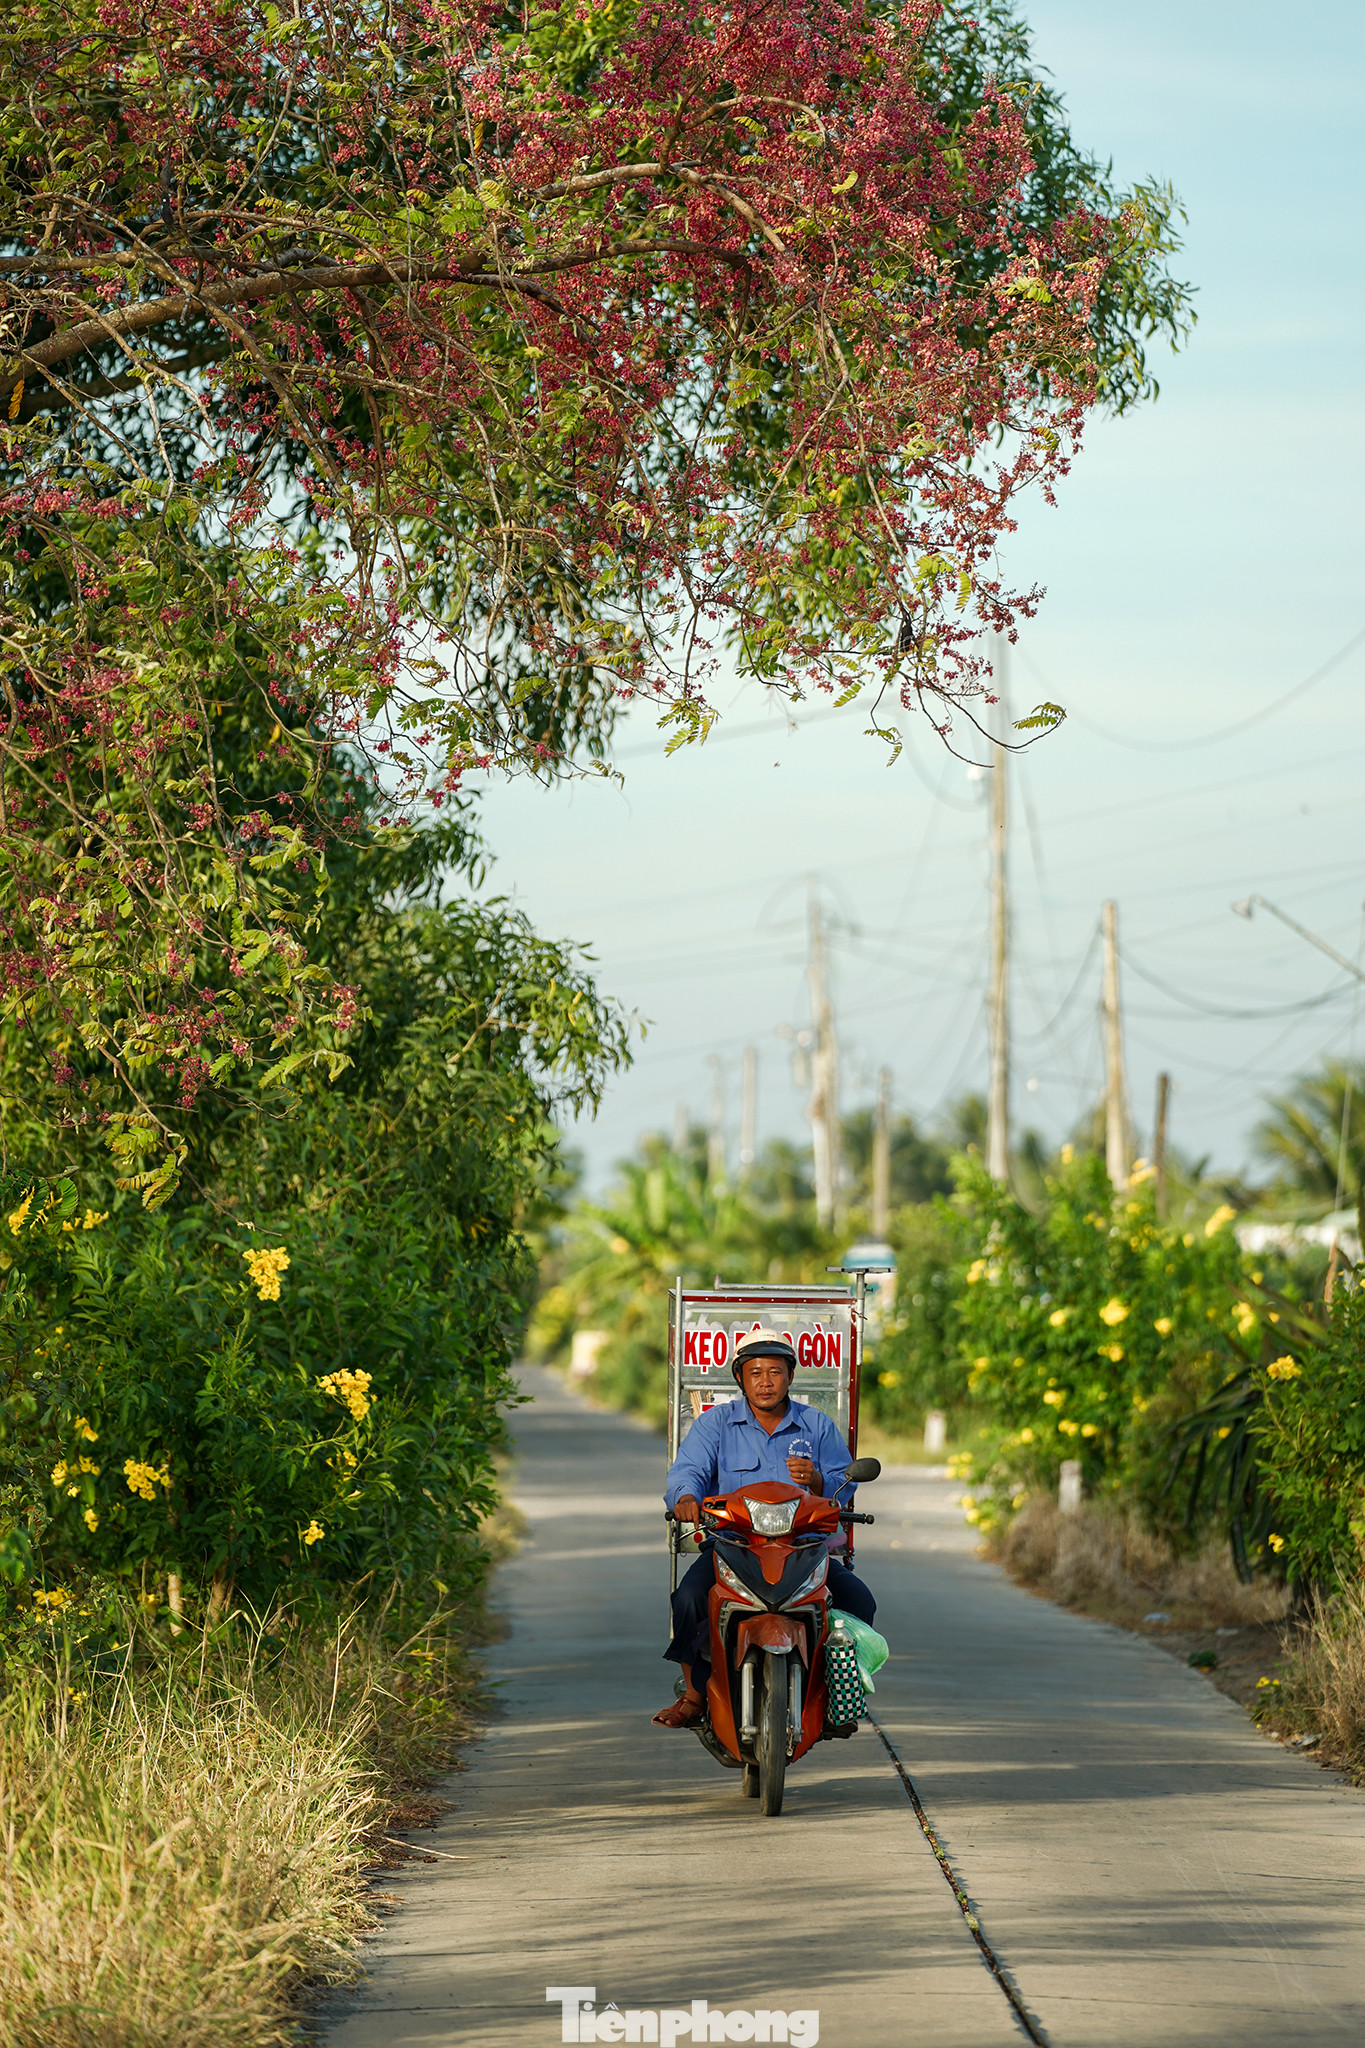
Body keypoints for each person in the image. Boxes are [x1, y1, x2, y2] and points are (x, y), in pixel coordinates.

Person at [654, 1326, 876, 1728]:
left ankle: (836, 1696)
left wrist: (819, 1482)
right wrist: (685, 1499)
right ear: (740, 1378)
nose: (765, 1382)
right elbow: (688, 1471)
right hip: (734, 1547)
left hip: (804, 1550)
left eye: (774, 1372)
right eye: (755, 1372)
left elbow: (846, 1481)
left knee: (860, 1602)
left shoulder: (817, 1425)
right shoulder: (715, 1424)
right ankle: (694, 1694)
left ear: (790, 1377)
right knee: (687, 1598)